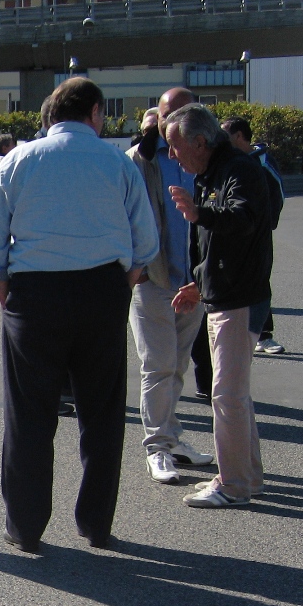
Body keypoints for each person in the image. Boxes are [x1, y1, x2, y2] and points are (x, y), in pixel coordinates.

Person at [0, 77, 158, 552]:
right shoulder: (118, 163)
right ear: (95, 112)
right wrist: (124, 284)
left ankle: (26, 525)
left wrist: (3, 286)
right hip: (101, 290)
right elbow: (147, 242)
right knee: (102, 414)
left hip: (34, 293)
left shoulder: (17, 161)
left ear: (51, 115)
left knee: (29, 416)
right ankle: (95, 523)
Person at [166, 103, 274, 508]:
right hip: (227, 293)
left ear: (200, 141)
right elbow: (218, 242)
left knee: (227, 394)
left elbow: (241, 219)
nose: (173, 155)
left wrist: (200, 212)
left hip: (240, 297)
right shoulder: (215, 172)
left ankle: (234, 485)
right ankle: (247, 477)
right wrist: (198, 282)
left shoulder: (239, 169)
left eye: (175, 146)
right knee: (234, 394)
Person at [126, 103, 215, 487]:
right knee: (158, 366)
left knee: (176, 366)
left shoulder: (203, 156)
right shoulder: (140, 159)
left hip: (192, 280)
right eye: (164, 113)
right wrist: (138, 270)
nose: (169, 120)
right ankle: (157, 447)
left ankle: (172, 436)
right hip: (153, 279)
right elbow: (125, 210)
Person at [223, 116, 287, 355]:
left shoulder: (263, 162)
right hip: (232, 232)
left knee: (259, 282)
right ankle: (237, 333)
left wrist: (264, 226)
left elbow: (277, 195)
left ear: (239, 136)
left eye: (226, 134)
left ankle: (264, 336)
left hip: (257, 236)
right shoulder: (226, 161)